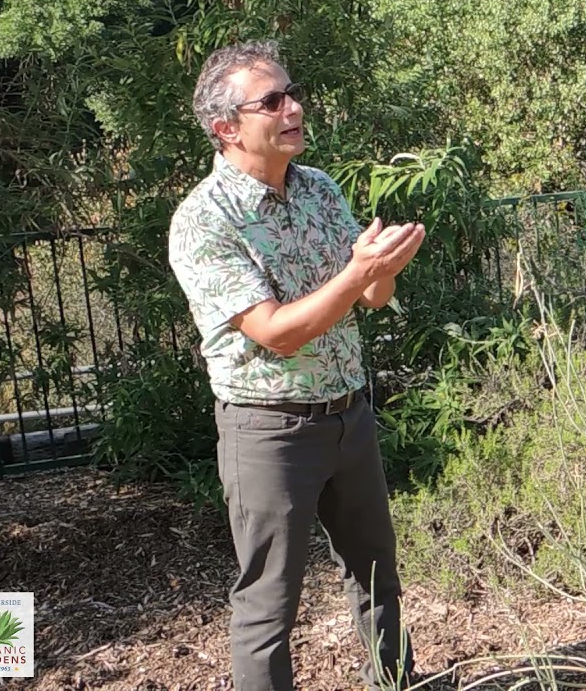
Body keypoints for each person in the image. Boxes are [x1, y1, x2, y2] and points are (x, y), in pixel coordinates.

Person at [167, 39, 426, 691]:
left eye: (293, 93)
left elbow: (368, 298)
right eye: (274, 100)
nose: (294, 107)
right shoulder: (204, 220)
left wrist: (379, 272)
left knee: (376, 578)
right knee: (268, 607)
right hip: (270, 432)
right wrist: (359, 274)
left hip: (350, 416)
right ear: (226, 127)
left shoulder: (318, 188)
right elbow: (275, 333)